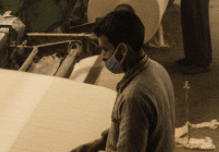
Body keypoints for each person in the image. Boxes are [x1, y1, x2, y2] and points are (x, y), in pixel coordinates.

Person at [72, 10, 176, 152]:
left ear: (123, 50)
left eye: (105, 49)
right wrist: (98, 144)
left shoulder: (133, 97)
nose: (103, 57)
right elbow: (134, 127)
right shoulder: (157, 69)